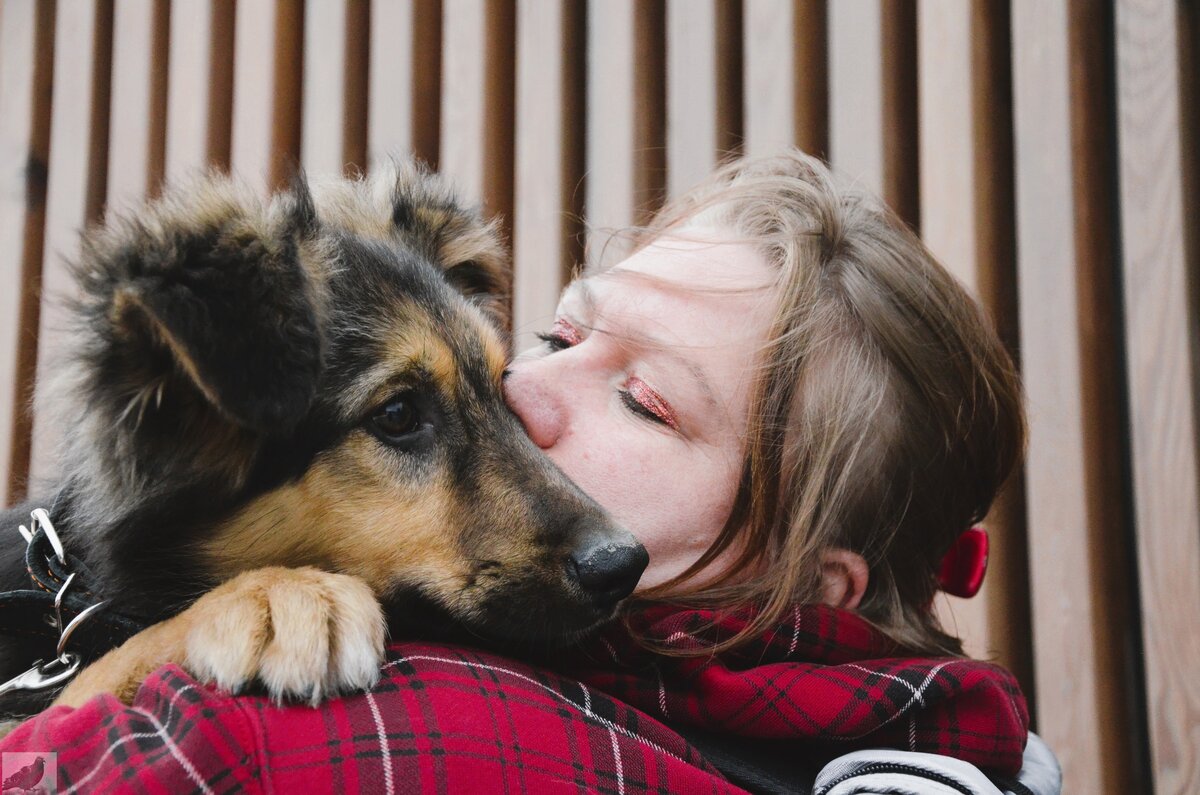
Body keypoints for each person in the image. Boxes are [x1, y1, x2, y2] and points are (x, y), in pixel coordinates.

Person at [0, 151, 1053, 794]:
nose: (523, 395)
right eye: (556, 336)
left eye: (647, 402)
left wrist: (172, 653)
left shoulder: (352, 731)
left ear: (810, 583)